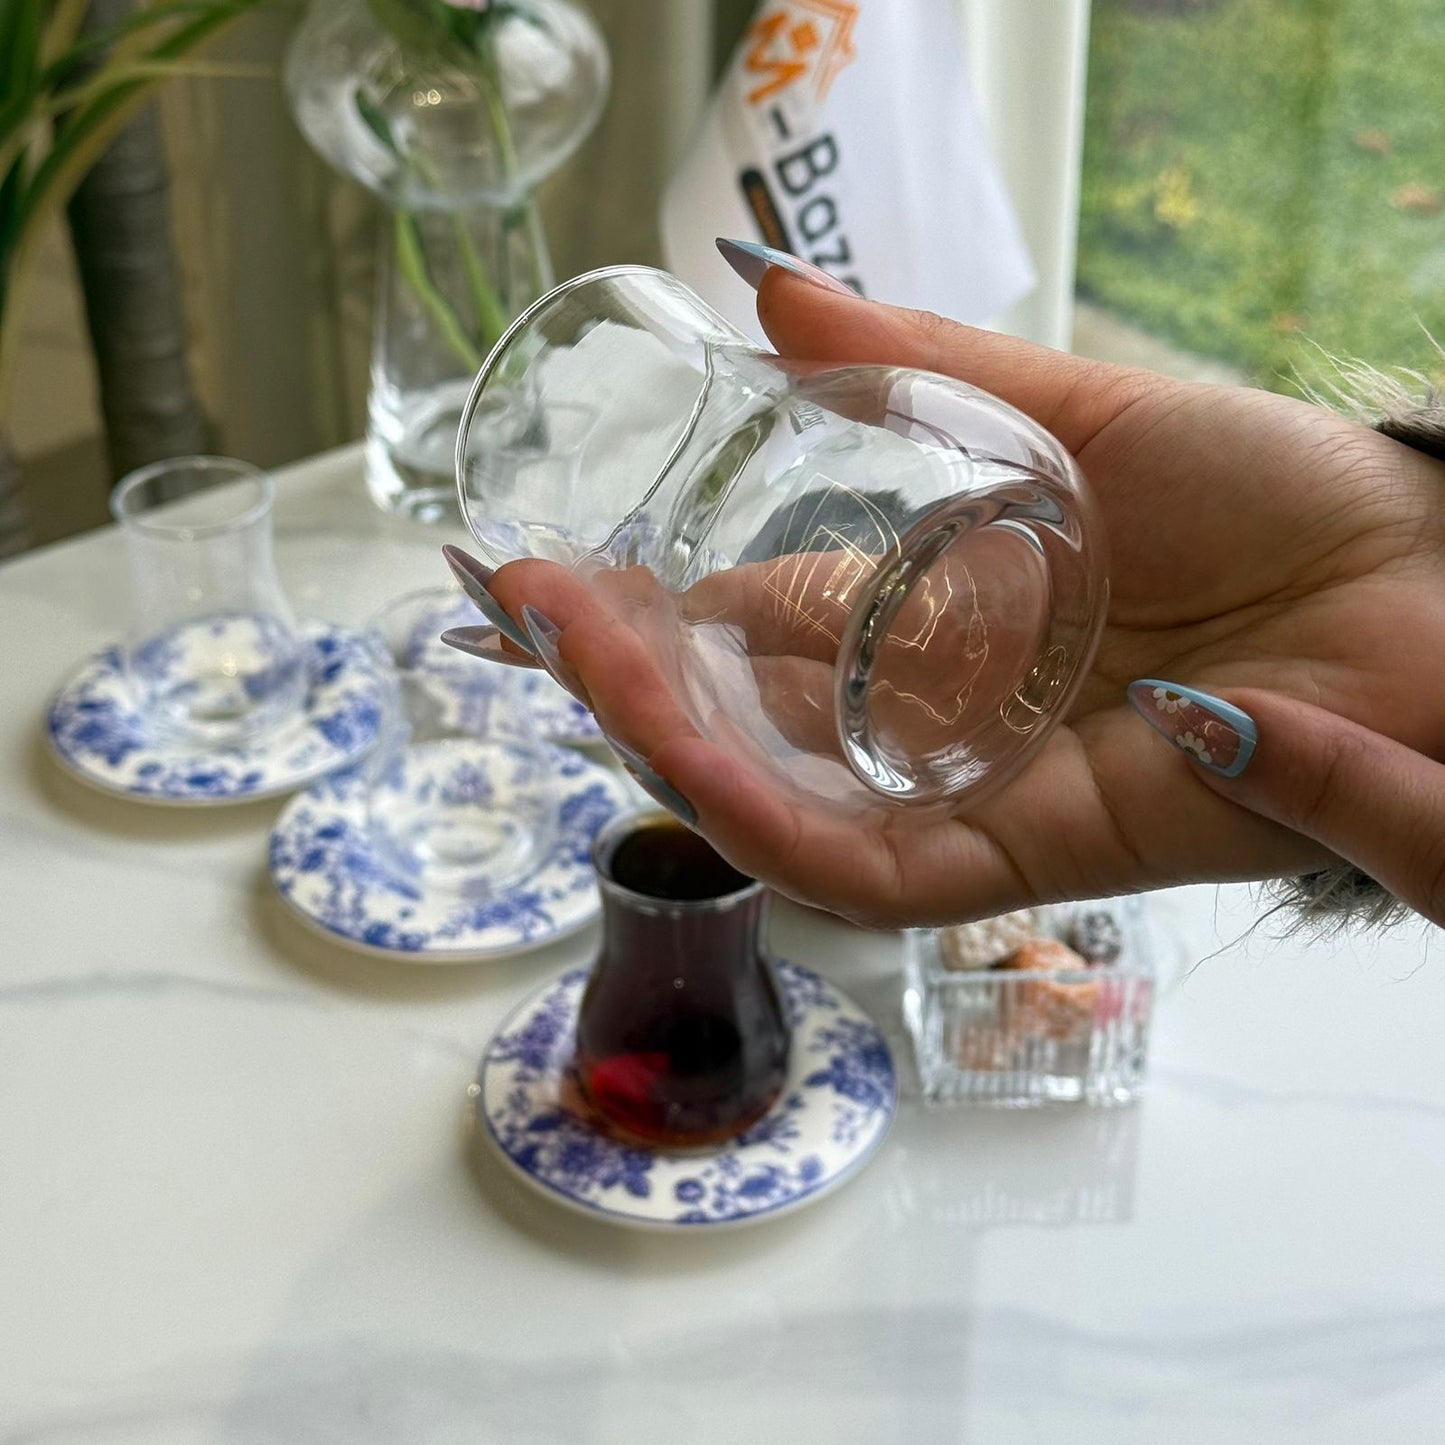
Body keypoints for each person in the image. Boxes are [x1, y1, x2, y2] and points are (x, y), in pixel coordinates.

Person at [444, 243, 1445, 932]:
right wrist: (1412, 539)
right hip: (965, 611)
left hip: (1010, 544)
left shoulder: (961, 466)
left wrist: (1402, 541)